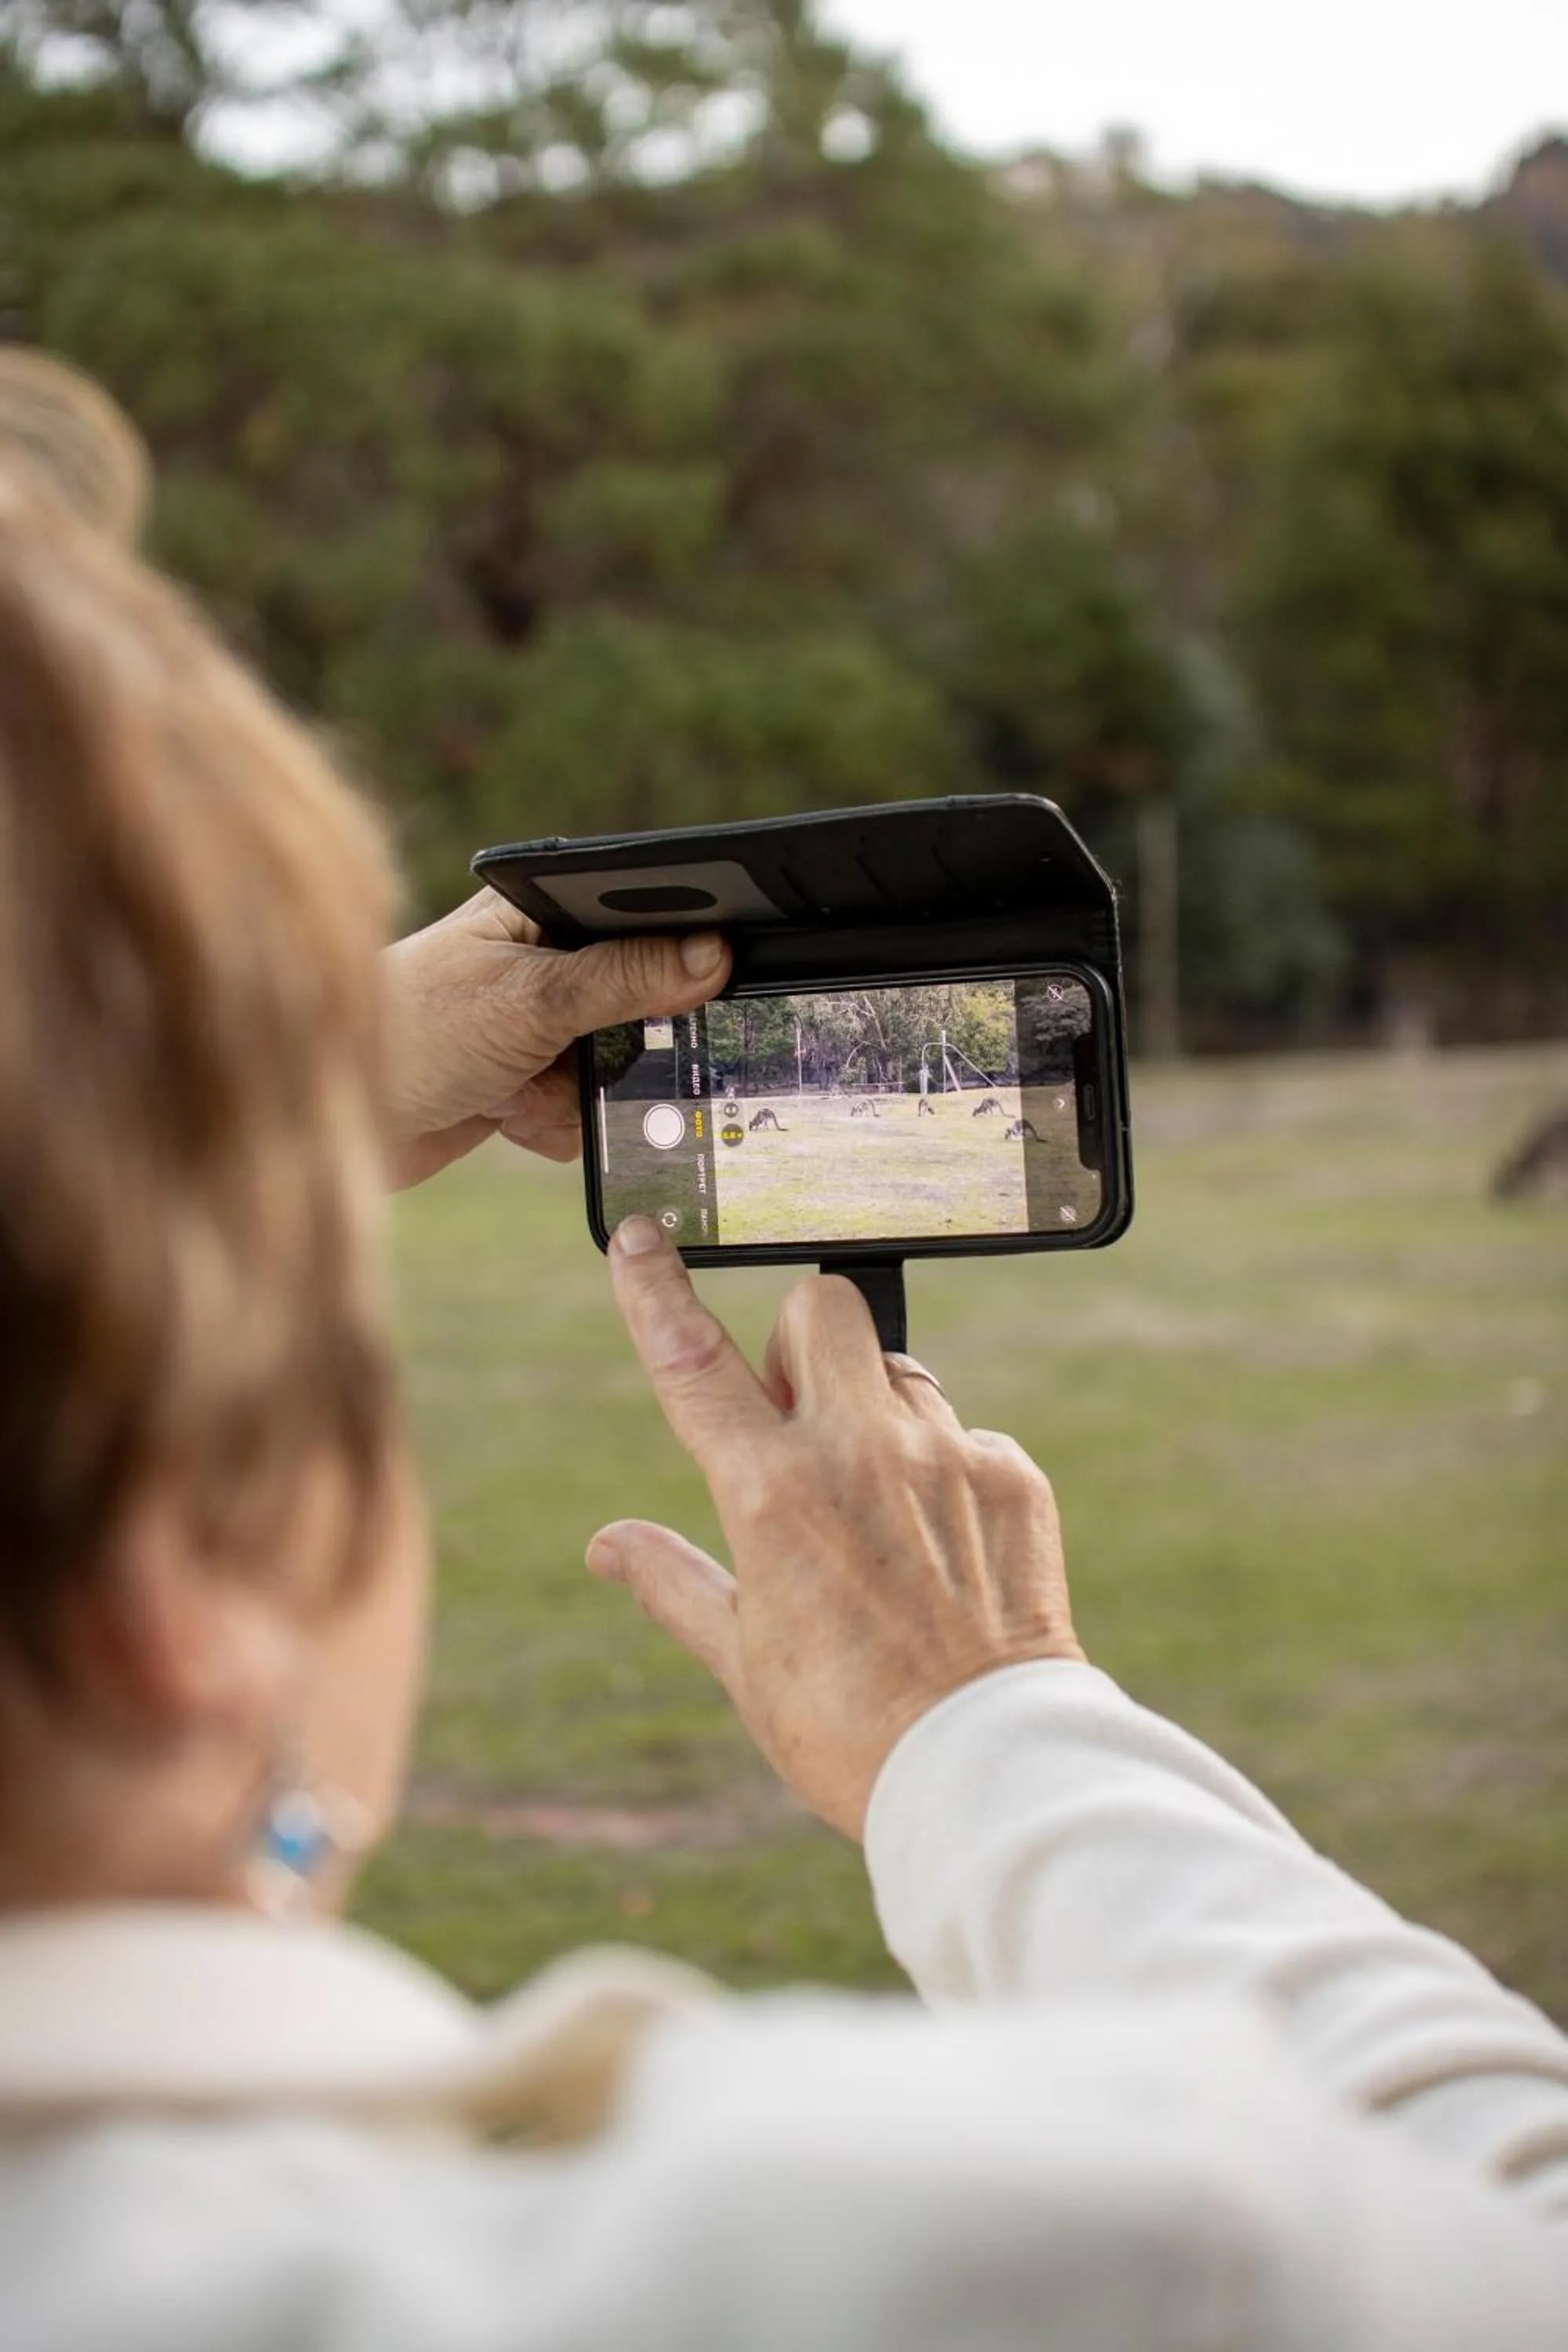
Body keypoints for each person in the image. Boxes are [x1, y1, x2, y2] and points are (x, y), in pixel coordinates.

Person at [0, 397, 1565, 2352]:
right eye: (333, 1355)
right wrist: (985, 1724)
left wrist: (229, 1118)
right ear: (175, 1591)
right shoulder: (998, 2262)